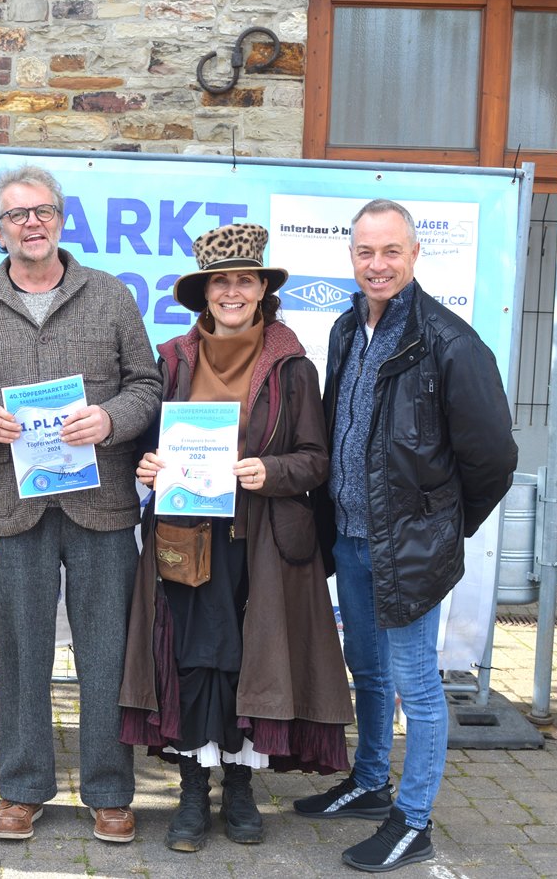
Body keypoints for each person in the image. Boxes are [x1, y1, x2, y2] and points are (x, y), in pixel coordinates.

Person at [294, 199, 517, 872]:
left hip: (409, 549)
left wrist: (442, 530)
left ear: (416, 254)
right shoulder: (344, 329)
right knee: (366, 668)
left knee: (416, 684)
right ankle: (368, 783)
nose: (377, 264)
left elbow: (493, 460)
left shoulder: (449, 343)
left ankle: (413, 820)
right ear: (352, 258)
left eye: (390, 251)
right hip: (355, 540)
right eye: (366, 252)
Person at [0, 165, 162, 844]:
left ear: (62, 219)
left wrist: (112, 420)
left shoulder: (111, 296)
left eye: (43, 211)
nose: (31, 223)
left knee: (105, 654)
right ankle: (23, 787)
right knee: (22, 655)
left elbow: (148, 385)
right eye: (16, 215)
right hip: (16, 507)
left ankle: (109, 790)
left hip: (102, 507)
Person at [123, 222, 354, 853]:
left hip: (265, 543)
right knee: (197, 660)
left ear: (261, 288)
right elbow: (146, 447)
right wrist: (147, 466)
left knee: (252, 663)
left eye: (244, 280)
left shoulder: (292, 366)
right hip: (187, 535)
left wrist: (270, 470)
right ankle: (194, 792)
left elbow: (316, 460)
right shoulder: (170, 360)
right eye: (220, 282)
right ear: (204, 292)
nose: (232, 292)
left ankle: (243, 790)